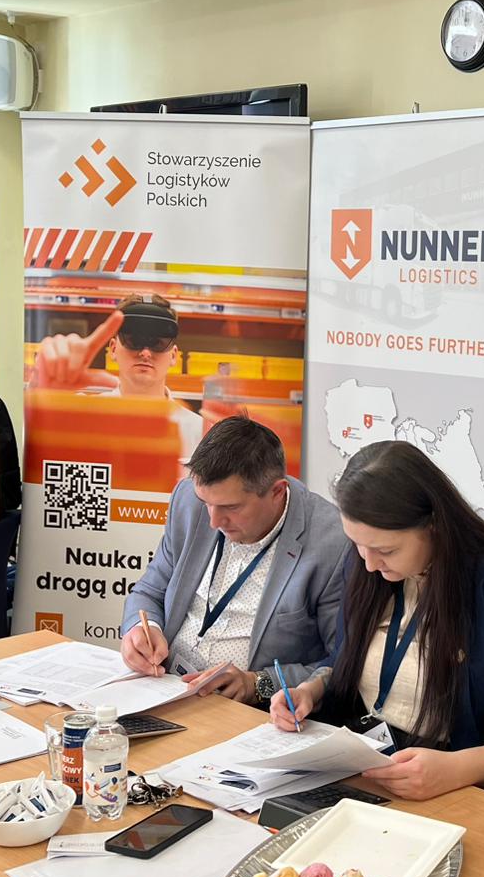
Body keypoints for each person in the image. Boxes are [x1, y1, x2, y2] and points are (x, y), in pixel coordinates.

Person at [271, 441, 484, 806]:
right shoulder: (367, 563)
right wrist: (312, 690)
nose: (369, 564)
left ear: (434, 525)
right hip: (366, 769)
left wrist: (456, 769)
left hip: (458, 790)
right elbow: (346, 659)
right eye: (357, 544)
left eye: (386, 550)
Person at [119, 416, 349, 701]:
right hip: (166, 688)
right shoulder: (188, 501)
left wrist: (258, 684)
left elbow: (342, 663)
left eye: (231, 507)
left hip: (248, 711)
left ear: (277, 492)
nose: (214, 521)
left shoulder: (332, 543)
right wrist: (141, 629)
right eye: (207, 503)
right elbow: (149, 591)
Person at [29, 294, 203, 470]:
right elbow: (39, 464)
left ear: (173, 356)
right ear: (113, 349)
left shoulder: (200, 432)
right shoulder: (78, 418)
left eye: (157, 343)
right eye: (134, 340)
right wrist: (44, 401)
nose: (145, 353)